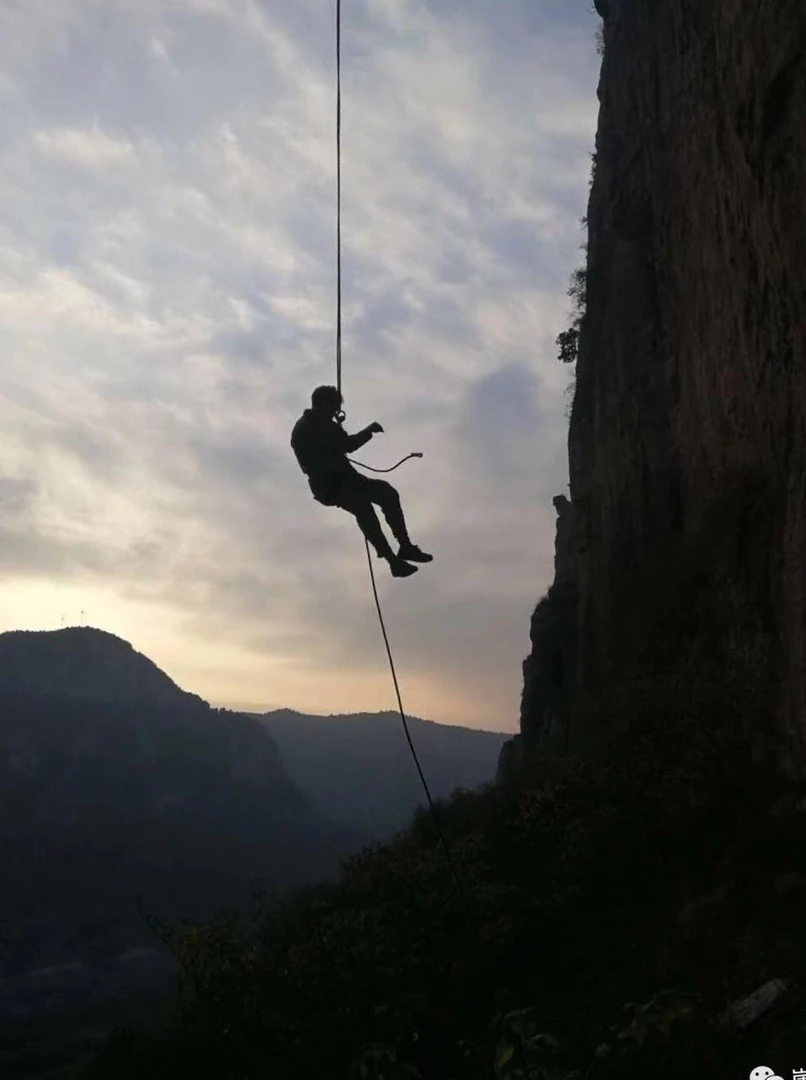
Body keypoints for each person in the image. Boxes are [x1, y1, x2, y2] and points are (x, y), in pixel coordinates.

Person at [291, 386, 433, 578]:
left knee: (386, 493)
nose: (335, 411)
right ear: (322, 404)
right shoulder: (313, 425)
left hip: (346, 480)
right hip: (332, 485)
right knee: (364, 508)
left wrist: (338, 429)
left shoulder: (319, 423)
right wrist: (369, 430)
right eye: (333, 407)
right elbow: (348, 445)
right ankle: (393, 561)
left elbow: (340, 444)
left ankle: (405, 547)